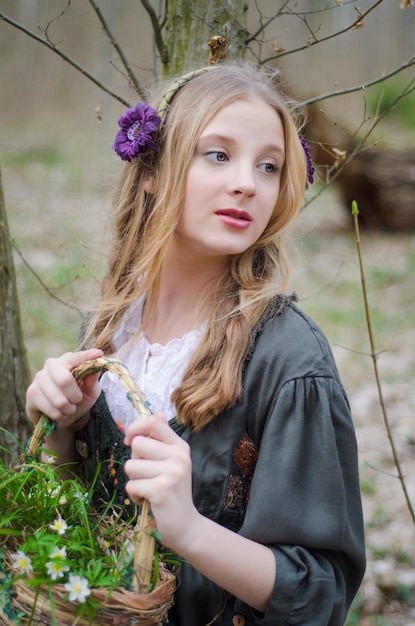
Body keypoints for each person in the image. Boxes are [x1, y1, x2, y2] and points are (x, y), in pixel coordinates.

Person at [26, 61, 365, 625]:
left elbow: (321, 595)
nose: (247, 183)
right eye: (218, 154)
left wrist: (187, 529)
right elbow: (72, 534)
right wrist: (60, 429)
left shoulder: (287, 358)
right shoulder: (107, 332)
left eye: (269, 166)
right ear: (154, 169)